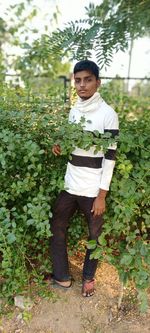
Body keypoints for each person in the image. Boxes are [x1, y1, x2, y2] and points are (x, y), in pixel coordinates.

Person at [50, 60, 119, 297]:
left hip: (92, 190)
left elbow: (110, 157)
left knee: (94, 235)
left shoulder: (108, 114)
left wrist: (102, 195)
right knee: (57, 226)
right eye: (77, 80)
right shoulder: (74, 110)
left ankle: (89, 277)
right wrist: (60, 145)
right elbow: (72, 143)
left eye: (88, 79)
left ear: (98, 82)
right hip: (71, 184)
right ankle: (62, 276)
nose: (82, 85)